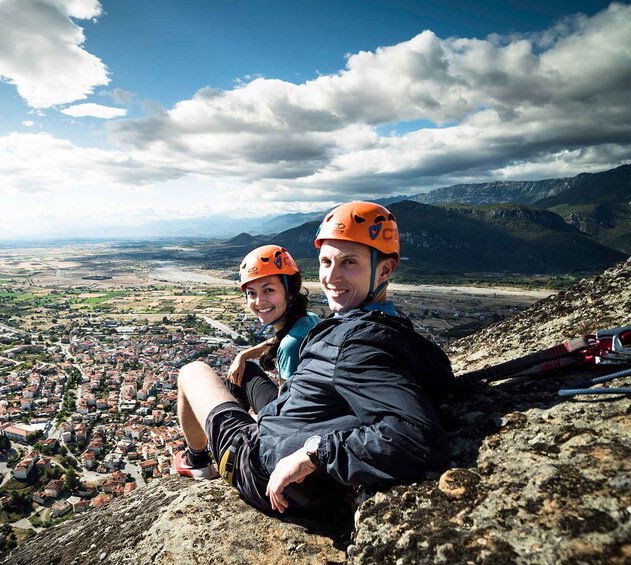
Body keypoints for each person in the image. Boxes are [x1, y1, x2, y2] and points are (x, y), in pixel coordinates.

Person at [174, 201, 455, 514]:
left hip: (260, 462)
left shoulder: (353, 345)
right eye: (325, 262)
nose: (331, 277)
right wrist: (247, 354)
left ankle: (197, 461)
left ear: (385, 269)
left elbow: (417, 438)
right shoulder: (386, 324)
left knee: (192, 371)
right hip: (287, 430)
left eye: (349, 262)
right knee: (244, 374)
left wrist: (314, 454)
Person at [225, 245, 319, 415]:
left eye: (268, 290)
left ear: (290, 292)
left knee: (238, 377)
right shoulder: (309, 319)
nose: (259, 302)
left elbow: (285, 412)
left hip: (292, 422)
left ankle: (237, 429)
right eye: (252, 293)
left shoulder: (290, 346)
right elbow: (279, 339)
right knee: (241, 367)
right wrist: (242, 355)